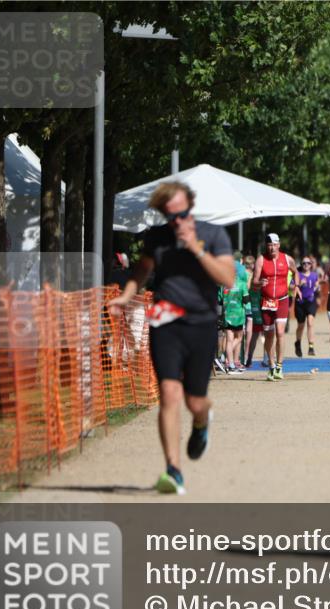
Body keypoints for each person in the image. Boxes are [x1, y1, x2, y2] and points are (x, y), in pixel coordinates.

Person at [107, 181, 234, 495]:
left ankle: (203, 420)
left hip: (201, 323)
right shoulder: (157, 238)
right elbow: (142, 270)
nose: (177, 221)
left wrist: (197, 249)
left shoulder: (214, 235)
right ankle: (173, 471)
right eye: (170, 215)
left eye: (182, 214)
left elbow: (227, 278)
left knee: (195, 400)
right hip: (166, 322)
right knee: (168, 393)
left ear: (191, 207)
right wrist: (126, 296)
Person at [251, 233, 296, 381]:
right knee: (268, 334)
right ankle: (271, 365)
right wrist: (260, 283)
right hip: (267, 301)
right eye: (269, 245)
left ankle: (279, 366)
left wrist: (295, 285)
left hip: (282, 300)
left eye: (274, 245)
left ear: (279, 245)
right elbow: (253, 282)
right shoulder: (261, 259)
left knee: (281, 333)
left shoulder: (287, 259)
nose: (271, 248)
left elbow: (296, 273)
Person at [219, 258, 250, 373]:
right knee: (239, 338)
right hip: (239, 316)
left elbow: (220, 300)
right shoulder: (242, 284)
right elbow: (246, 300)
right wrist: (249, 311)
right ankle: (224, 357)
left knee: (229, 339)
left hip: (227, 315)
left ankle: (230, 365)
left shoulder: (223, 285)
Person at [293, 255, 320, 357]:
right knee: (301, 325)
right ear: (301, 264)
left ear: (311, 265)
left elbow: (316, 285)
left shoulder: (314, 275)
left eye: (308, 263)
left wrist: (318, 287)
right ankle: (298, 343)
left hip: (310, 301)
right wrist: (299, 284)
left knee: (310, 322)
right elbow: (291, 287)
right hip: (300, 303)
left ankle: (311, 347)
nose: (306, 265)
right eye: (304, 263)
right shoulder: (298, 275)